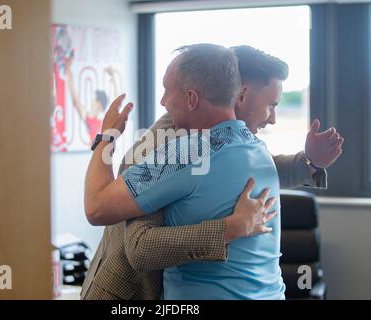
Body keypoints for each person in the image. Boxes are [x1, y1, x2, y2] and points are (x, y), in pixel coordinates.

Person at [81, 45, 344, 299]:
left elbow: (237, 170)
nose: (272, 118)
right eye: (271, 105)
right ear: (238, 93)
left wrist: (310, 161)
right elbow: (136, 243)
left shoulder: (235, 147)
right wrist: (230, 228)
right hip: (128, 290)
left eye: (167, 91)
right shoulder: (176, 145)